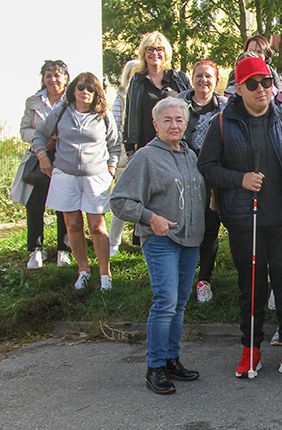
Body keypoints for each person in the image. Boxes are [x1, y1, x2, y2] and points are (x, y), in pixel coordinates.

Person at [198, 57, 282, 381]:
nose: (261, 89)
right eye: (253, 84)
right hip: (246, 222)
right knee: (252, 287)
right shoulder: (222, 123)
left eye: (266, 82)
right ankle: (251, 348)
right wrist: (239, 178)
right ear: (238, 88)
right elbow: (206, 167)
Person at [110, 97, 205, 395]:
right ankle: (154, 367)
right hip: (161, 241)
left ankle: (171, 359)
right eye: (167, 120)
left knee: (178, 304)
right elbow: (119, 201)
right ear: (156, 125)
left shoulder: (191, 156)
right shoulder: (145, 157)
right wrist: (150, 218)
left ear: (186, 124)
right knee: (165, 302)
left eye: (179, 119)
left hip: (190, 241)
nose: (174, 125)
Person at [33, 72, 120, 290]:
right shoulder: (61, 112)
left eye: (90, 89)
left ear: (97, 93)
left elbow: (115, 146)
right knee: (72, 225)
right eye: (81, 87)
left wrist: (110, 170)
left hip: (96, 177)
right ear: (73, 90)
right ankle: (83, 270)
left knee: (97, 227)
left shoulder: (104, 115)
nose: (85, 92)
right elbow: (39, 136)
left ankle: (105, 274)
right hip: (65, 175)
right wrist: (43, 158)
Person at [12, 60, 72, 269]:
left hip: (65, 159)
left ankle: (64, 250)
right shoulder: (33, 101)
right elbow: (24, 129)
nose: (53, 79)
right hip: (39, 158)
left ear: (66, 78)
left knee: (64, 206)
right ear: (43, 78)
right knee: (35, 205)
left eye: (57, 75)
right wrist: (41, 139)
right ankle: (36, 249)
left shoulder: (72, 101)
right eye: (48, 75)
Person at [179, 61, 227, 303]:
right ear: (192, 78)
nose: (203, 80)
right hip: (181, 176)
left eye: (208, 76)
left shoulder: (225, 107)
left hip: (212, 179)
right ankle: (182, 279)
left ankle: (204, 280)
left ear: (216, 79)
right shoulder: (179, 104)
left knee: (210, 231)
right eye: (199, 76)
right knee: (183, 229)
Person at [123, 31, 191, 155]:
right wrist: (129, 149)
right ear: (144, 53)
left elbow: (190, 111)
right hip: (146, 147)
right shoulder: (137, 81)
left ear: (166, 53)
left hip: (176, 146)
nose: (154, 53)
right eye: (150, 49)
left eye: (159, 49)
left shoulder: (179, 79)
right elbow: (130, 115)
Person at [108, 60, 141, 257]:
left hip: (147, 149)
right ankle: (114, 242)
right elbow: (115, 127)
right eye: (133, 74)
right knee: (123, 197)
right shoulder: (120, 98)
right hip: (124, 153)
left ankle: (141, 240)